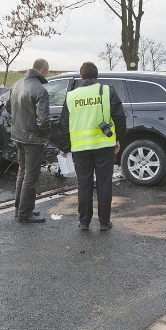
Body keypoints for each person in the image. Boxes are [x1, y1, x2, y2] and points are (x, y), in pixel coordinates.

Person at [57, 61, 126, 231]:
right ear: (96, 77)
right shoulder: (107, 91)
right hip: (104, 146)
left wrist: (65, 147)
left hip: (81, 149)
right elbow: (120, 118)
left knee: (84, 184)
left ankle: (84, 222)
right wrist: (117, 139)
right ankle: (104, 222)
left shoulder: (71, 96)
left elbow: (64, 124)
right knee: (104, 184)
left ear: (81, 77)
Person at [7, 58, 51, 224]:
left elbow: (7, 106)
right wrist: (45, 135)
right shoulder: (40, 90)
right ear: (44, 71)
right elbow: (43, 120)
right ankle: (25, 214)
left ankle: (20, 210)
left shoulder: (16, 84)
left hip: (18, 135)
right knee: (30, 176)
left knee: (22, 173)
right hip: (33, 139)